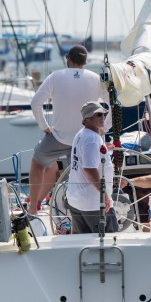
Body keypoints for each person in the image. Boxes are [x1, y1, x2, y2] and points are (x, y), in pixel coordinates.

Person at [27, 44, 110, 215]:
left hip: (59, 138)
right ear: (85, 61)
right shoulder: (95, 78)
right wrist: (103, 129)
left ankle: (33, 206)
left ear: (68, 60)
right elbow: (113, 105)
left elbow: (35, 103)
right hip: (88, 136)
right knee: (88, 166)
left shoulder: (55, 76)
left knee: (38, 163)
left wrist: (44, 127)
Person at [66, 101, 119, 234]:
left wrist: (103, 147)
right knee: (108, 244)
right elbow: (89, 170)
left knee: (82, 245)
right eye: (98, 115)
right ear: (87, 119)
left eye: (103, 114)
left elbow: (85, 154)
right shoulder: (92, 139)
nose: (102, 117)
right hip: (94, 203)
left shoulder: (81, 134)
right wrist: (104, 196)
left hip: (77, 200)